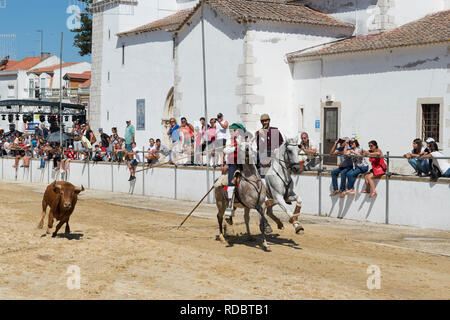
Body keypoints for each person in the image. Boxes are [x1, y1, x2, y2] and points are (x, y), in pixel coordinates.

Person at [223, 123, 246, 216]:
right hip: (233, 164)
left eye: (232, 131)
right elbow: (225, 151)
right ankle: (230, 205)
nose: (231, 133)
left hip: (242, 163)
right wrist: (234, 148)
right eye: (230, 131)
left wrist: (240, 145)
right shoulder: (229, 141)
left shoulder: (242, 140)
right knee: (231, 183)